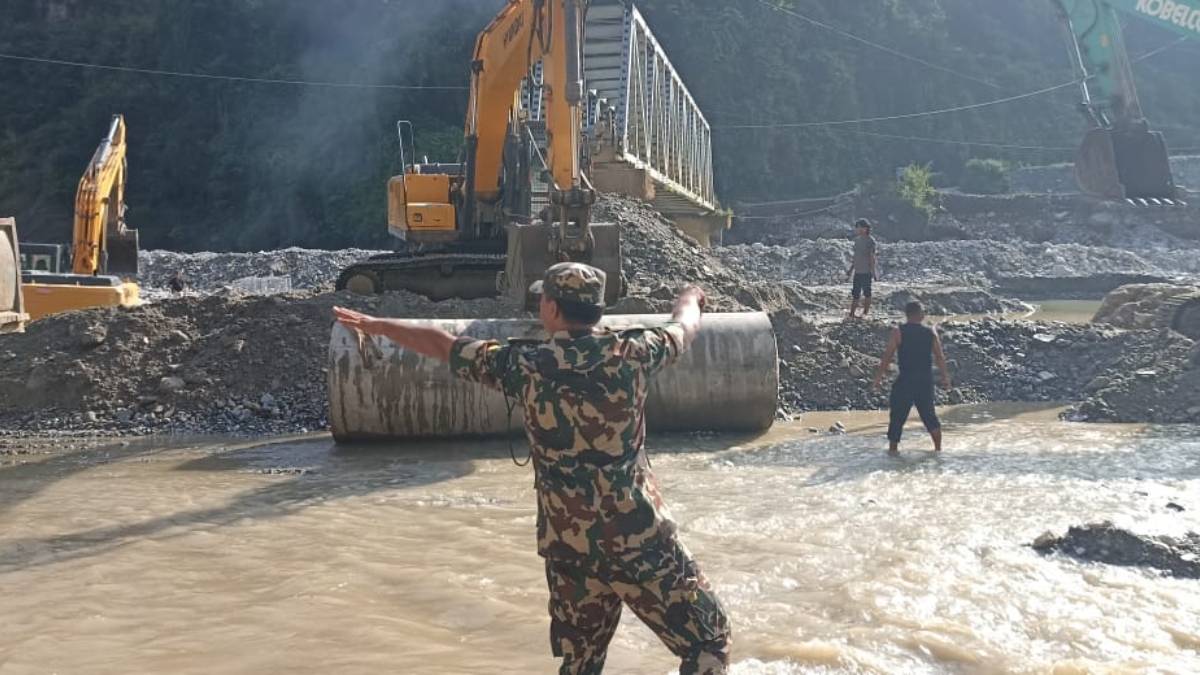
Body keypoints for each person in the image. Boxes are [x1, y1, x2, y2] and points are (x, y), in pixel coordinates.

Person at [332, 263, 731, 675]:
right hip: (640, 540)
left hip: (569, 548)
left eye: (543, 299)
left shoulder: (523, 365)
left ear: (554, 309)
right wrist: (691, 295)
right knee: (709, 641)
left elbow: (442, 344)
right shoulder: (634, 353)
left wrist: (379, 325)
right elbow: (684, 328)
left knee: (581, 663)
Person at [871, 301, 951, 454]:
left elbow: (887, 357)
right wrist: (945, 378)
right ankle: (938, 450)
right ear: (920, 315)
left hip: (905, 381)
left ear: (907, 315)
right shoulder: (931, 332)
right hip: (924, 382)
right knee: (929, 417)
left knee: (897, 418)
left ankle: (893, 453)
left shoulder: (898, 332)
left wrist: (878, 379)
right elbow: (939, 357)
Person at [846, 218, 878, 319]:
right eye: (857, 227)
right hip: (858, 271)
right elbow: (855, 257)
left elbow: (871, 257)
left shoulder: (870, 241)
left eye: (860, 227)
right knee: (855, 293)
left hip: (866, 271)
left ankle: (865, 313)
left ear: (866, 228)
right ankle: (851, 314)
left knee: (867, 293)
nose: (858, 229)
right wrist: (851, 270)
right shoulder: (857, 240)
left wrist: (873, 272)